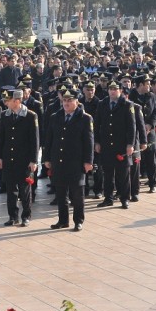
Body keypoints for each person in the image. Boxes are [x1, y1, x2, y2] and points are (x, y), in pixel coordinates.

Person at [47, 88, 94, 230]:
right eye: (64, 100)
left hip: (76, 162)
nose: (66, 103)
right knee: (61, 193)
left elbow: (89, 141)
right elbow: (49, 139)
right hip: (59, 160)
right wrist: (47, 158)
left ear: (76, 102)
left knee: (77, 194)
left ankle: (78, 220)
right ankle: (63, 220)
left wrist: (88, 161)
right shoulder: (55, 116)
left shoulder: (85, 118)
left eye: (70, 100)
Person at [0, 89, 40, 227]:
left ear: (17, 101)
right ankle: (12, 216)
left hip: (24, 159)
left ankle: (26, 215)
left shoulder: (31, 116)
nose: (5, 102)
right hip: (9, 158)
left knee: (25, 190)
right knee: (10, 189)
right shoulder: (4, 115)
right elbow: (1, 137)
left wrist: (34, 160)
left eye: (7, 100)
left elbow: (35, 140)